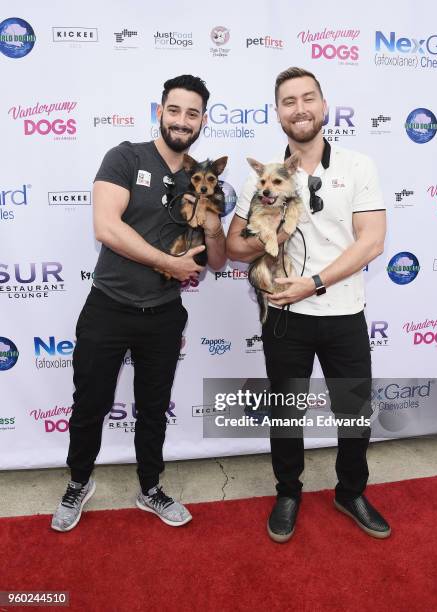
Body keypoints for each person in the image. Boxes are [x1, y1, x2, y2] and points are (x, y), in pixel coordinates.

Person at [51, 74, 226, 532]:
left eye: (192, 114)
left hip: (164, 316)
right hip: (108, 306)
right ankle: (79, 482)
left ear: (203, 121)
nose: (182, 121)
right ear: (160, 112)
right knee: (89, 403)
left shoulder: (201, 176)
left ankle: (150, 488)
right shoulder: (126, 157)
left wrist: (210, 226)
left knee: (153, 407)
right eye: (174, 110)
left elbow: (219, 260)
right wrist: (167, 265)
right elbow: (106, 228)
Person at [226, 67, 390, 542]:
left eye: (307, 98)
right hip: (284, 316)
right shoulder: (264, 177)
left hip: (343, 312)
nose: (299, 108)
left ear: (323, 105)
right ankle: (288, 493)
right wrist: (271, 232)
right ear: (277, 113)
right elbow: (236, 247)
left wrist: (313, 283)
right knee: (286, 412)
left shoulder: (358, 165)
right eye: (288, 101)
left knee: (354, 412)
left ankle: (350, 491)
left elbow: (372, 241)